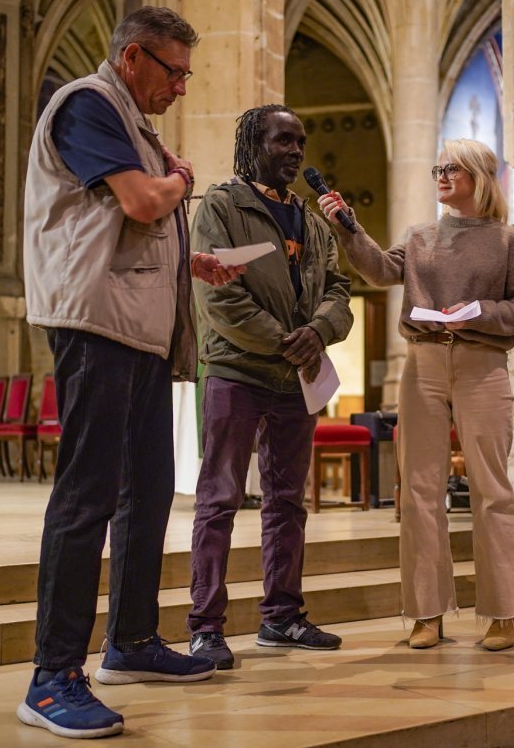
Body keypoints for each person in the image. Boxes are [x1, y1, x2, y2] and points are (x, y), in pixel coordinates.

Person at [21, 7, 243, 739]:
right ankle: (53, 676)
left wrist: (192, 260)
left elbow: (134, 226)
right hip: (96, 324)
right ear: (131, 57)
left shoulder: (134, 122)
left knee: (147, 490)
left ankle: (133, 641)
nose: (181, 86)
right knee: (86, 497)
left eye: (186, 73)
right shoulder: (88, 103)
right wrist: (180, 179)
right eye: (173, 70)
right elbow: (144, 200)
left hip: (141, 332)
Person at [318, 138, 514, 651]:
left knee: (492, 487)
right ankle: (426, 613)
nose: (440, 175)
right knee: (419, 491)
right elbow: (378, 270)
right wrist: (349, 229)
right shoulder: (420, 236)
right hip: (422, 362)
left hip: (482, 364)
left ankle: (505, 612)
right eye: (438, 167)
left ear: (479, 178)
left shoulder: (507, 242)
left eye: (452, 168)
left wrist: (480, 311)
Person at [186, 104, 353, 670]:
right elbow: (219, 299)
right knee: (219, 500)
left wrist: (320, 330)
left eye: (300, 142)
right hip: (237, 369)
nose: (295, 151)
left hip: (295, 378)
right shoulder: (221, 205)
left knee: (287, 502)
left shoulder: (310, 217)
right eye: (283, 140)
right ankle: (205, 627)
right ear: (253, 143)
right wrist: (288, 340)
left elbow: (338, 288)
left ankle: (281, 617)